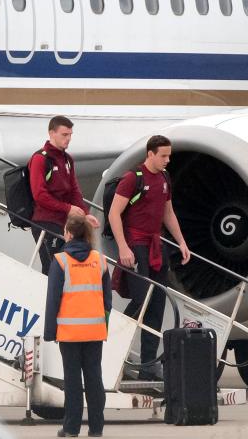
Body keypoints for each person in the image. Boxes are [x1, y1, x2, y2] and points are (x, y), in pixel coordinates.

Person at [108, 134, 191, 379]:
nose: (167, 160)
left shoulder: (164, 178)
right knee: (141, 297)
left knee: (156, 303)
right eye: (163, 156)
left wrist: (182, 242)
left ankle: (147, 364)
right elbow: (114, 214)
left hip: (156, 244)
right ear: (150, 154)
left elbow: (168, 213)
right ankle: (113, 344)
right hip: (136, 243)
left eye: (169, 156)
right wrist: (123, 247)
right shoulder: (133, 179)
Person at [44, 213, 111, 438]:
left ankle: (71, 428)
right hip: (94, 330)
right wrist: (104, 327)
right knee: (95, 378)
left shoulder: (61, 261)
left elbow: (53, 299)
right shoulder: (100, 261)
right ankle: (96, 428)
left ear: (70, 234)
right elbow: (108, 302)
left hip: (69, 332)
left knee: (72, 381)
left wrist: (50, 331)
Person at [29, 116, 99, 275]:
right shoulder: (40, 158)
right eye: (64, 135)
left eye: (70, 135)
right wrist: (67, 208)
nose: (68, 139)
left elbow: (74, 190)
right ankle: (46, 299)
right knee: (52, 268)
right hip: (45, 222)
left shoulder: (67, 160)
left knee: (65, 268)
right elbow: (39, 195)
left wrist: (85, 214)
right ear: (51, 133)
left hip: (64, 223)